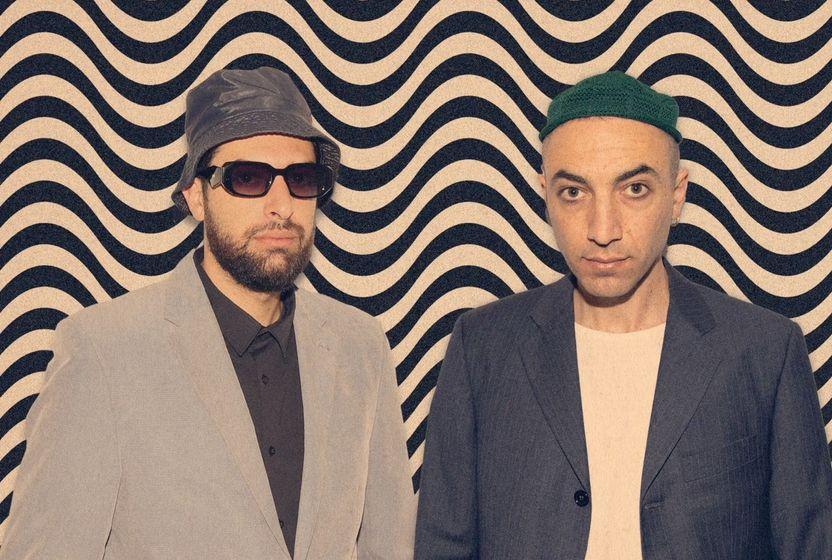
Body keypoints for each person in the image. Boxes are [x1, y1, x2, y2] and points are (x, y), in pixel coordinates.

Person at [1, 67, 416, 559]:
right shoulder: (104, 351)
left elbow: (390, 547)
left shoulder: (360, 347)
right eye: (248, 178)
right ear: (196, 197)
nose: (281, 205)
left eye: (301, 179)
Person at [414, 71, 832, 559]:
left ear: (676, 194)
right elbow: (443, 544)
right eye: (574, 192)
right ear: (545, 194)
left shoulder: (764, 351)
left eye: (634, 188)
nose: (602, 228)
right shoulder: (483, 346)